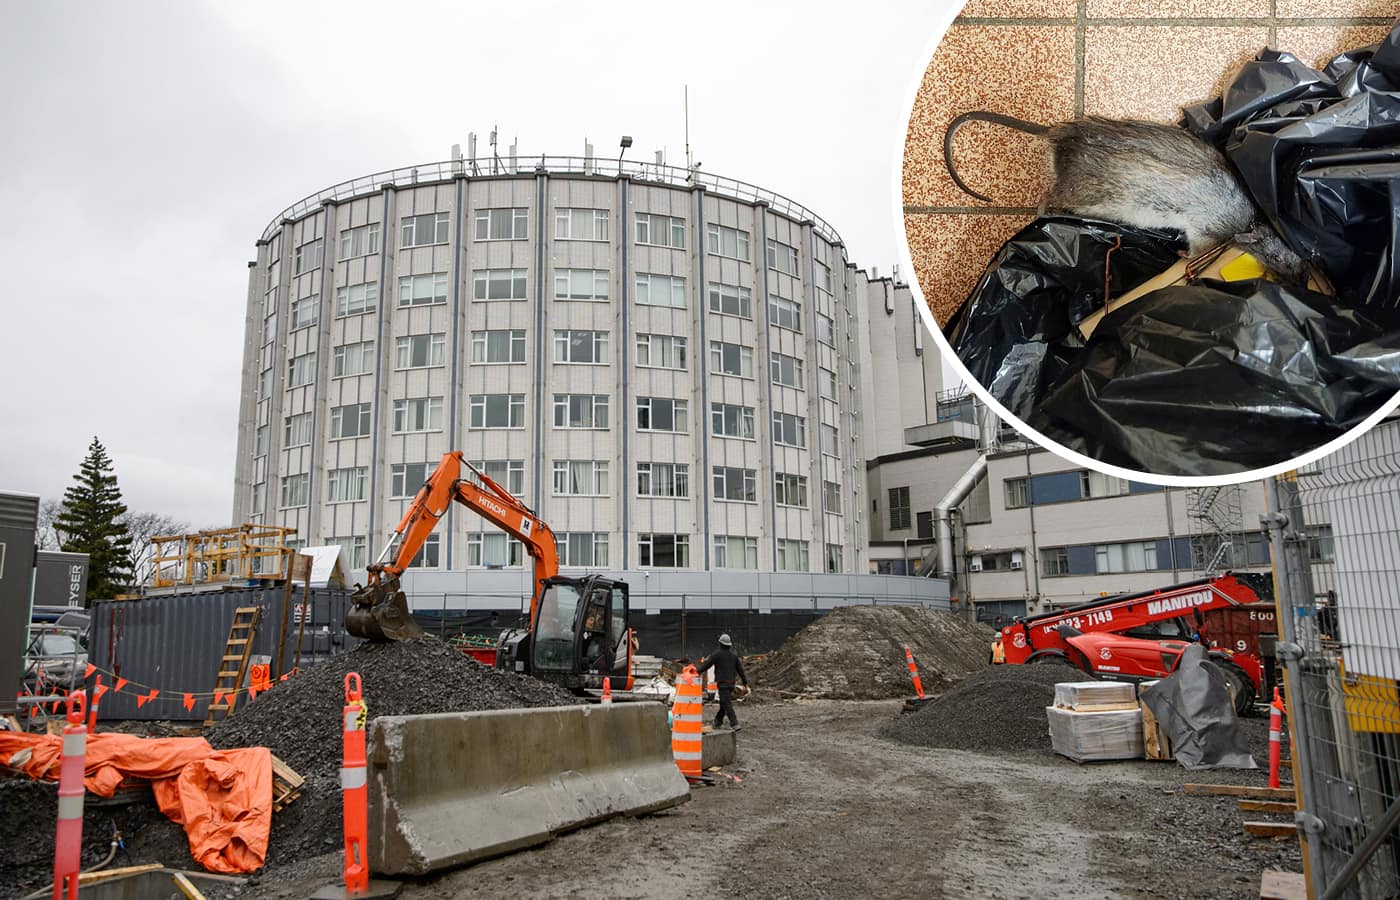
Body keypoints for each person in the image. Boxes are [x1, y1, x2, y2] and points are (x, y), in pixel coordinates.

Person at [695, 634, 749, 731]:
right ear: (729, 645)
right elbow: (740, 670)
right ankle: (717, 721)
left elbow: (706, 665)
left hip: (723, 684)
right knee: (724, 703)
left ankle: (734, 723)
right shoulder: (734, 657)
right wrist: (745, 682)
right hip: (731, 684)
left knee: (726, 703)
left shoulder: (716, 655)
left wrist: (696, 672)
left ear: (720, 644)